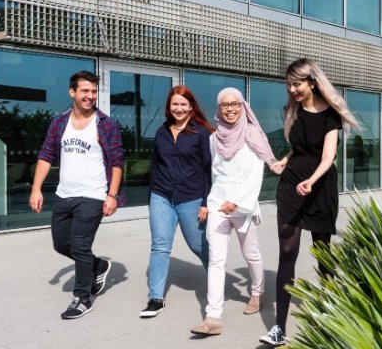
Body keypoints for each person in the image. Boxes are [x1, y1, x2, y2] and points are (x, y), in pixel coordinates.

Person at [260, 58, 359, 346]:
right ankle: (279, 328)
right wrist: (284, 160)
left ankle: (332, 314)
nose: (291, 89)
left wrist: (312, 180)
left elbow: (327, 157)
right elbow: (299, 148)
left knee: (322, 252)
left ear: (312, 82)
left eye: (297, 84)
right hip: (292, 185)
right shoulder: (291, 110)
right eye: (288, 84)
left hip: (319, 187)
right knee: (287, 251)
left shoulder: (331, 116)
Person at [29, 70, 124, 319]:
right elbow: (46, 155)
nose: (90, 96)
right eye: (85, 91)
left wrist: (112, 195)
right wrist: (36, 188)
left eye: (93, 91)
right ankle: (99, 265)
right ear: (73, 92)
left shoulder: (105, 124)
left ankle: (82, 298)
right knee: (61, 243)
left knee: (81, 245)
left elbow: (116, 162)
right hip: (64, 194)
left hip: (93, 195)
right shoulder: (59, 123)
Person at [190, 87, 276, 335]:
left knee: (251, 254)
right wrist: (213, 199)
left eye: (234, 104)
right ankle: (213, 317)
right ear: (219, 108)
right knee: (216, 259)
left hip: (243, 204)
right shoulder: (213, 138)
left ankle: (257, 293)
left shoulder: (251, 133)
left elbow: (256, 173)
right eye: (224, 105)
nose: (230, 109)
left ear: (242, 106)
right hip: (219, 202)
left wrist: (238, 201)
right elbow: (215, 172)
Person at [139, 85, 213, 318]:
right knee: (160, 245)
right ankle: (156, 298)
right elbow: (155, 165)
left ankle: (218, 282)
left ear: (191, 107)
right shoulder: (161, 132)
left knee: (199, 245)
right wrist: (152, 195)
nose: (179, 108)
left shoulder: (201, 132)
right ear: (169, 107)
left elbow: (209, 169)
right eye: (175, 104)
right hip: (161, 196)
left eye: (183, 104)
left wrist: (206, 202)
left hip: (191, 198)